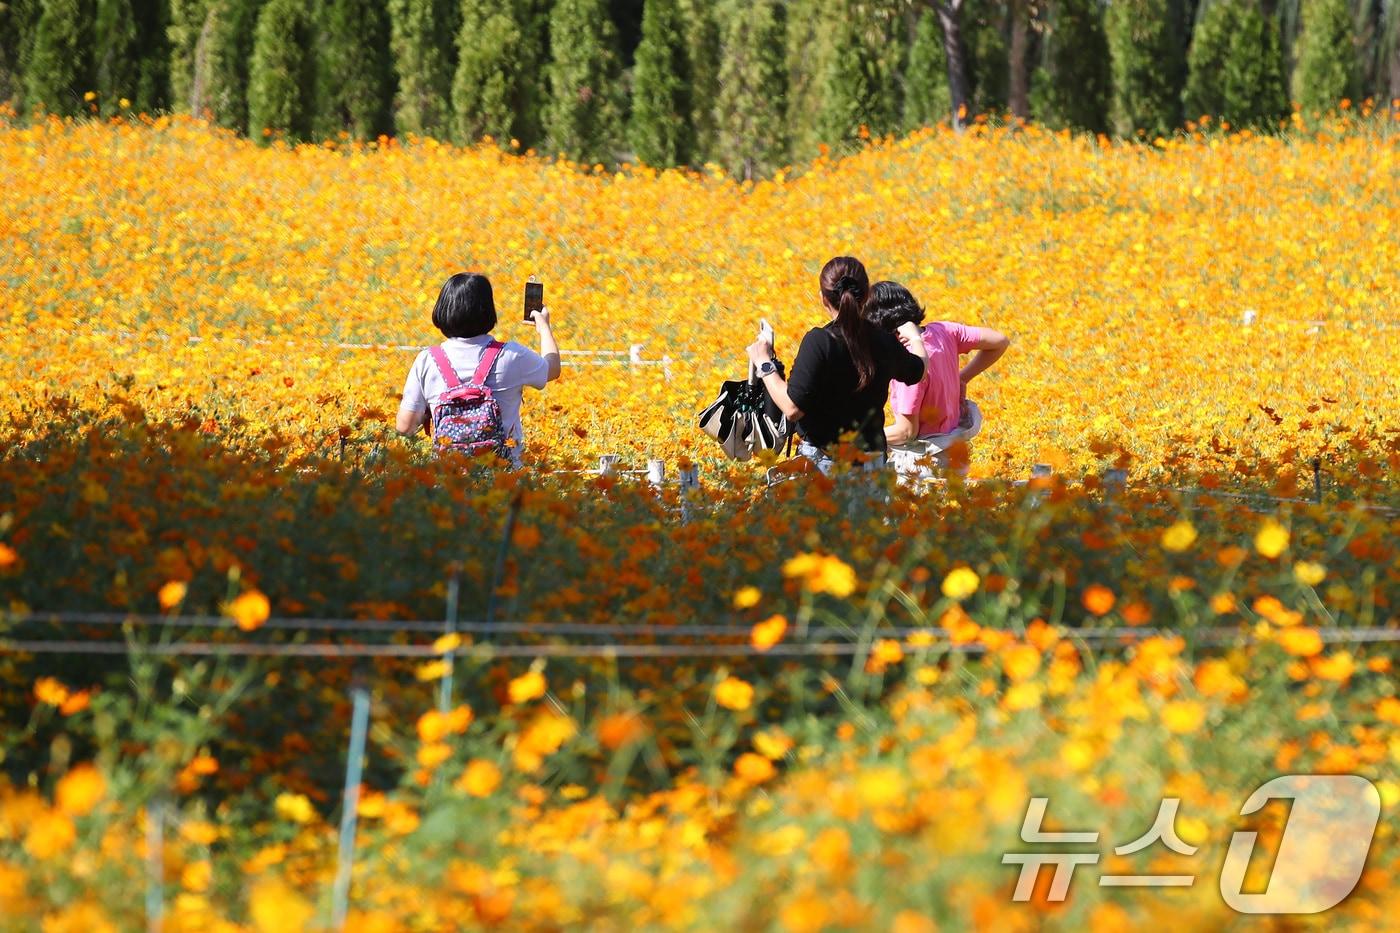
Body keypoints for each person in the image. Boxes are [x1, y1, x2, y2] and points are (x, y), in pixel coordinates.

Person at [746, 257, 927, 475]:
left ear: (824, 298)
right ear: (867, 294)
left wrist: (764, 363)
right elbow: (918, 371)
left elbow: (792, 408)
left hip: (825, 468)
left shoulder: (820, 342)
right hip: (872, 469)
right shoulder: (883, 340)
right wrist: (916, 339)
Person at [396, 272, 561, 467]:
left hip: (449, 482)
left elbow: (405, 427)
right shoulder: (512, 355)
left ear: (442, 310)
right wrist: (544, 328)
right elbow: (552, 369)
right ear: (488, 311)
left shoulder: (427, 360)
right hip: (503, 479)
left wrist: (430, 412)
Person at [864, 280, 1008, 478]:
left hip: (927, 465)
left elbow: (907, 432)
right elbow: (999, 341)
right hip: (955, 453)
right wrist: (962, 378)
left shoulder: (909, 362)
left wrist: (859, 441)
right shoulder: (943, 331)